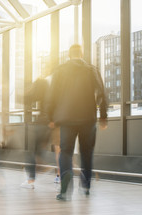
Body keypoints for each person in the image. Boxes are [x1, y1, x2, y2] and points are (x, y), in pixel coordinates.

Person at [46, 44, 108, 201]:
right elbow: (101, 92)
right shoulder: (91, 69)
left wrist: (51, 117)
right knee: (87, 152)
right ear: (81, 54)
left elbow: (52, 94)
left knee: (66, 151)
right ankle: (86, 185)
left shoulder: (60, 70)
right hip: (88, 117)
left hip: (66, 118)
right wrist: (103, 116)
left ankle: (65, 182)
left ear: (69, 55)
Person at [20, 78, 51, 189]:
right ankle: (39, 169)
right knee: (38, 151)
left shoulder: (42, 86)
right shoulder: (51, 89)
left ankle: (33, 177)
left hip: (42, 123)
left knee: (30, 153)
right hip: (50, 124)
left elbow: (28, 98)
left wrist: (29, 90)